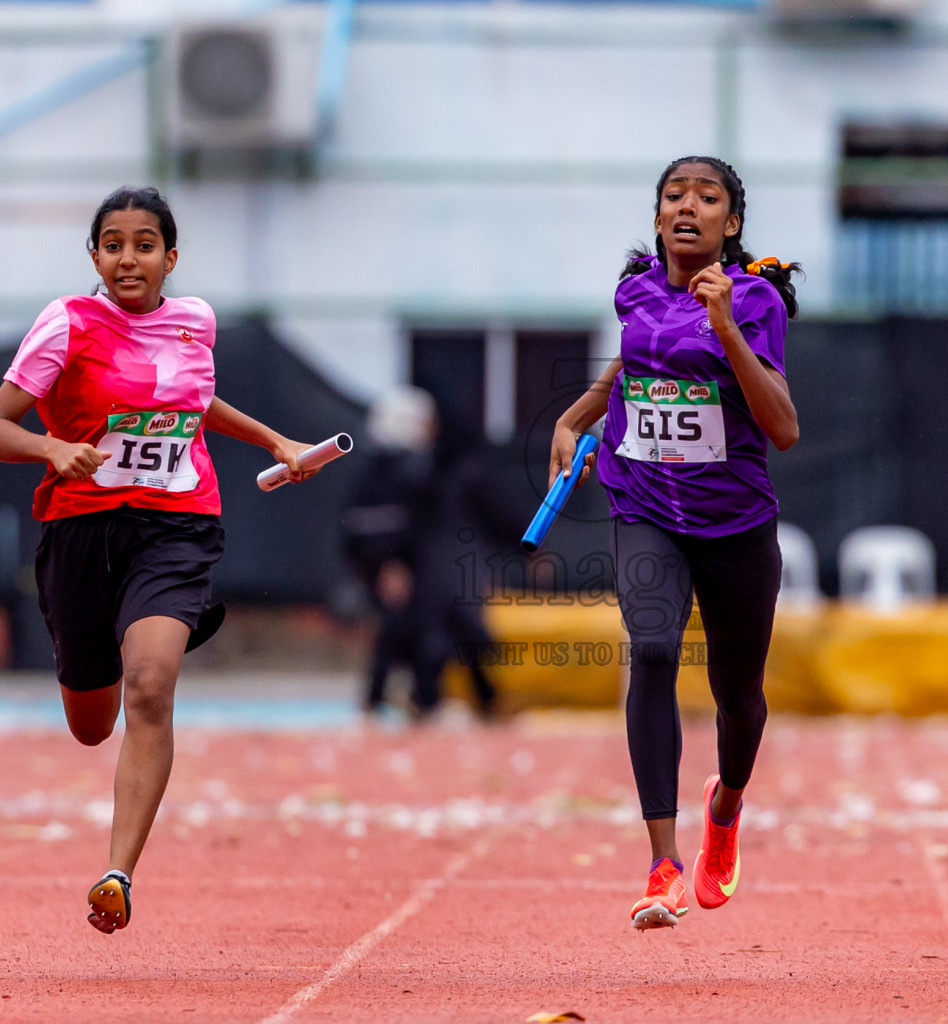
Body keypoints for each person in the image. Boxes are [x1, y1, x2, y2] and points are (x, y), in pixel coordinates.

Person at [0, 186, 317, 933]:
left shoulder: (196, 322)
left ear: (170, 256)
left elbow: (196, 406)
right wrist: (51, 447)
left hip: (175, 524)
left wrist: (275, 442)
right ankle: (92, 691)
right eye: (113, 244)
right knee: (92, 724)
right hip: (81, 531)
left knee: (153, 685)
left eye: (145, 244)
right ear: (95, 256)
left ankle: (117, 871)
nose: (129, 258)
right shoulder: (65, 323)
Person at [549, 155, 800, 930]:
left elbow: (783, 427)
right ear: (658, 216)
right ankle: (662, 862)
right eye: (674, 195)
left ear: (732, 221)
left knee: (739, 700)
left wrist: (725, 326)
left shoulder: (754, 300)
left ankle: (723, 810)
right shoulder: (633, 289)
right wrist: (574, 419)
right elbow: (631, 366)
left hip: (736, 524)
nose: (688, 206)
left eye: (707, 197)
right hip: (646, 505)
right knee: (652, 648)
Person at [343, 387, 502, 721]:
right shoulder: (400, 468)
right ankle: (406, 702)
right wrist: (391, 563)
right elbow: (387, 522)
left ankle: (423, 700)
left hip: (416, 568)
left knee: (427, 635)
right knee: (409, 633)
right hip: (404, 567)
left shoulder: (407, 465)